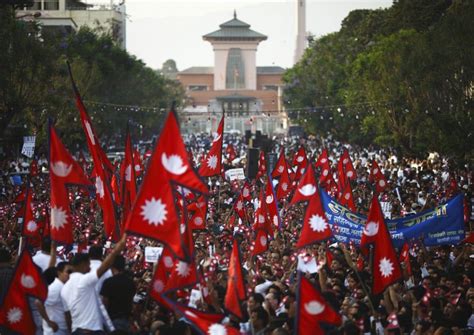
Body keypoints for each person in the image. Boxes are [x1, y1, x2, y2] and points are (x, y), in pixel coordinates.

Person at [61, 234, 127, 334]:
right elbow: (102, 269)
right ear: (82, 265)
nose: (90, 268)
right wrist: (115, 251)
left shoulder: (64, 288)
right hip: (91, 330)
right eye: (88, 265)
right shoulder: (83, 281)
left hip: (76, 330)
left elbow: (67, 315)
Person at [100, 254, 136, 333]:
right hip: (125, 321)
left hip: (111, 320)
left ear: (112, 266)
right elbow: (131, 301)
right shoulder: (131, 283)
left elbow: (105, 302)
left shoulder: (108, 282)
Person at [36, 261, 73, 335]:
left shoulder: (64, 287)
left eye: (72, 272)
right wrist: (49, 322)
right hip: (55, 331)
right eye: (68, 272)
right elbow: (38, 302)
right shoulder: (55, 288)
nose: (70, 275)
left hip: (63, 330)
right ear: (59, 273)